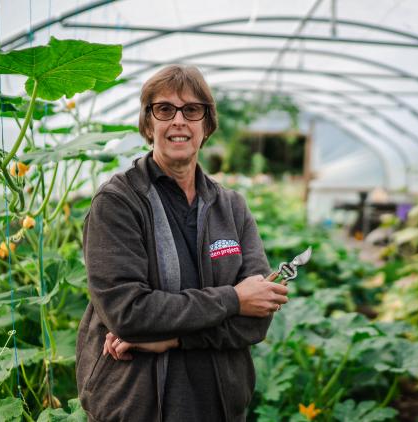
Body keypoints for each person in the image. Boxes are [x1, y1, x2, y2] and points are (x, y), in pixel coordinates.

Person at [75, 65, 289, 421]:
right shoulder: (118, 202)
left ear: (206, 125)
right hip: (137, 404)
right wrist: (233, 299)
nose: (179, 121)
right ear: (148, 124)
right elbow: (128, 313)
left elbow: (257, 318)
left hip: (218, 404)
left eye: (192, 110)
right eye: (164, 110)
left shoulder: (231, 206)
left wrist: (173, 339)